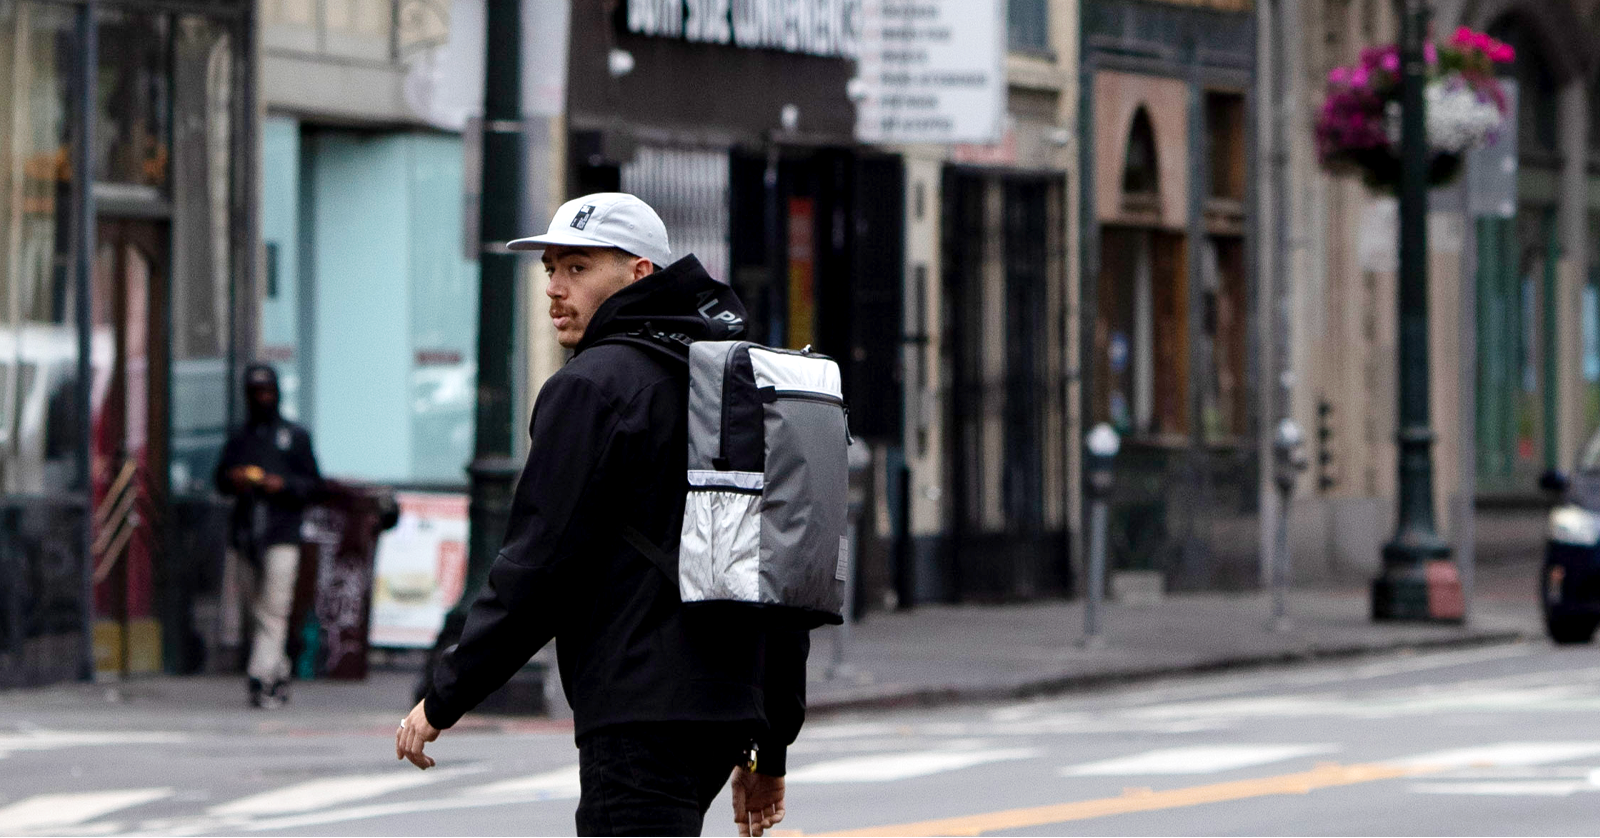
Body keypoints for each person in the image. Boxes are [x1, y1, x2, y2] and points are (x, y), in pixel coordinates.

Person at [394, 193, 807, 838]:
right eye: (551, 269)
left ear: (639, 273)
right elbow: (783, 570)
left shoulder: (592, 386)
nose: (556, 289)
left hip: (639, 706)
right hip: (724, 707)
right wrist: (769, 743)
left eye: (578, 268)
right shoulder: (733, 383)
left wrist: (446, 693)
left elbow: (536, 566)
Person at [216, 364, 322, 709]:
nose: (262, 398)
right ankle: (277, 670)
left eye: (267, 392)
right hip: (246, 533)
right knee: (253, 609)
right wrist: (236, 479)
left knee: (274, 608)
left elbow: (314, 486)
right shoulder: (239, 437)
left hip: (282, 532)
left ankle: (261, 677)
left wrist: (283, 485)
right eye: (255, 392)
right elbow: (219, 480)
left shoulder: (294, 436)